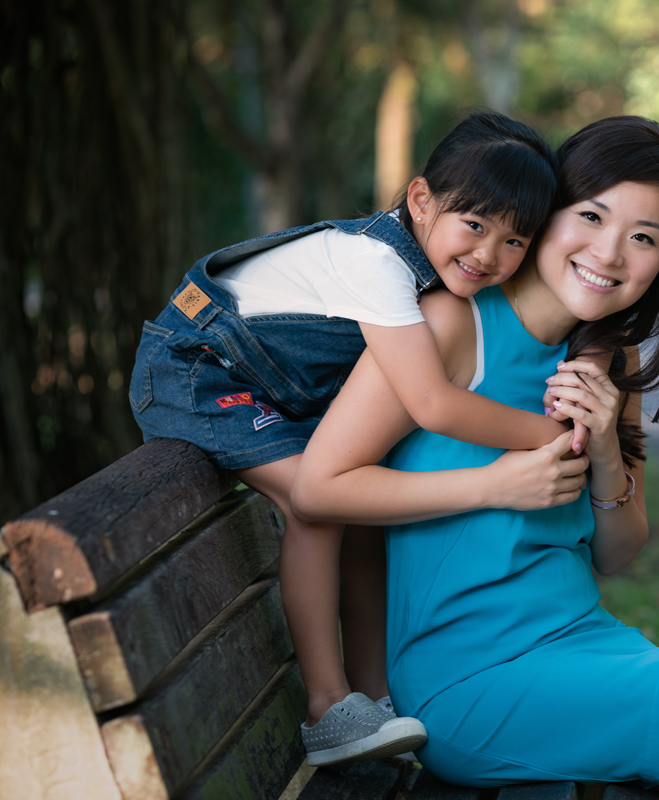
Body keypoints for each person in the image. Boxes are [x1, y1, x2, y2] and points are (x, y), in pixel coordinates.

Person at [293, 116, 659, 799]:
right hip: (467, 677)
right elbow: (321, 487)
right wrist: (493, 485)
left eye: (643, 238)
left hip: (581, 641)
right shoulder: (445, 329)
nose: (611, 253)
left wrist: (606, 457)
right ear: (545, 214)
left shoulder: (610, 361)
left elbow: (617, 553)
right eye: (591, 216)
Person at [127, 111, 575, 766]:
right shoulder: (376, 263)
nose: (488, 255)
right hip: (197, 369)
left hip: (264, 387)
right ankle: (329, 710)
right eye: (474, 225)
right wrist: (552, 437)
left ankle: (374, 700)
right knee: (323, 506)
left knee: (365, 515)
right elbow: (432, 404)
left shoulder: (425, 269)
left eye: (515, 242)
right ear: (421, 199)